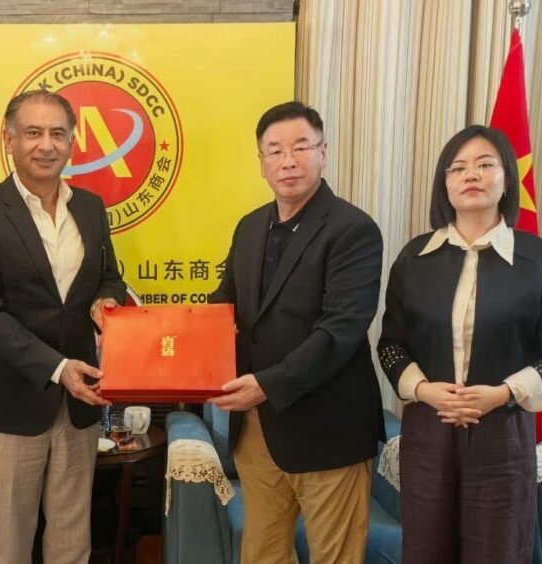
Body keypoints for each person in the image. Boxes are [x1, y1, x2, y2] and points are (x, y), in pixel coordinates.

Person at [377, 124, 542, 563]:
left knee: (498, 551)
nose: (471, 175)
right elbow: (391, 345)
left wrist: (502, 394)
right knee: (426, 550)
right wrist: (424, 390)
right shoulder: (414, 258)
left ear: (507, 179)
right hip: (429, 430)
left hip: (501, 435)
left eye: (485, 165)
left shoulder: (539, 259)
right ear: (445, 183)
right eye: (458, 168)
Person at [0, 89, 126, 564]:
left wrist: (106, 300)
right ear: (9, 139)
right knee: (10, 543)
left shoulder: (89, 207)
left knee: (72, 538)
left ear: (71, 142)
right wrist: (58, 367)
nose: (46, 145)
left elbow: (109, 275)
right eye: (33, 133)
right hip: (10, 403)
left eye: (57, 134)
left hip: (80, 402)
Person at [209, 100, 385, 564]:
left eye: (301, 147)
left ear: (323, 153)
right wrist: (155, 336)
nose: (288, 161)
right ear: (261, 162)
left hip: (329, 429)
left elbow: (341, 331)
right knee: (262, 555)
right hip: (256, 431)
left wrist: (267, 384)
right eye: (275, 151)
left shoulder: (353, 229)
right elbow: (223, 306)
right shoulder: (250, 227)